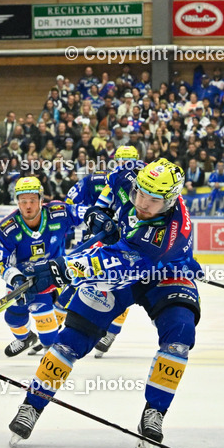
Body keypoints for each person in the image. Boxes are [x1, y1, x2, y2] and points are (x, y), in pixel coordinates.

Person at [8, 158, 201, 448]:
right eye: (140, 194)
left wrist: (62, 269)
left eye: (153, 201)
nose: (143, 204)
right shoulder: (131, 177)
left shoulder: (168, 234)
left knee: (180, 333)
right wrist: (102, 210)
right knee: (71, 339)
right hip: (121, 265)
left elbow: (114, 265)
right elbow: (113, 178)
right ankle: (32, 404)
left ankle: (155, 412)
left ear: (172, 201)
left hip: (163, 273)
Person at [59, 145, 143, 357]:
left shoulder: (145, 190)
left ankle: (111, 332)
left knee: (123, 284)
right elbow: (70, 203)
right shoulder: (98, 180)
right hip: (96, 237)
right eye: (122, 162)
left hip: (124, 244)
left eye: (130, 163)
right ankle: (54, 326)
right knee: (75, 277)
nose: (125, 167)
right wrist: (92, 217)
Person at [0, 176, 74, 358]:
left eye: (32, 200)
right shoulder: (7, 228)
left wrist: (97, 218)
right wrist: (16, 279)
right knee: (12, 318)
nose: (28, 206)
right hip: (21, 278)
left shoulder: (58, 212)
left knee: (45, 326)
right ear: (17, 202)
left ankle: (53, 354)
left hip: (49, 275)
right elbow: (1, 263)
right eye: (23, 201)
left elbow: (83, 213)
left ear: (41, 199)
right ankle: (26, 339)